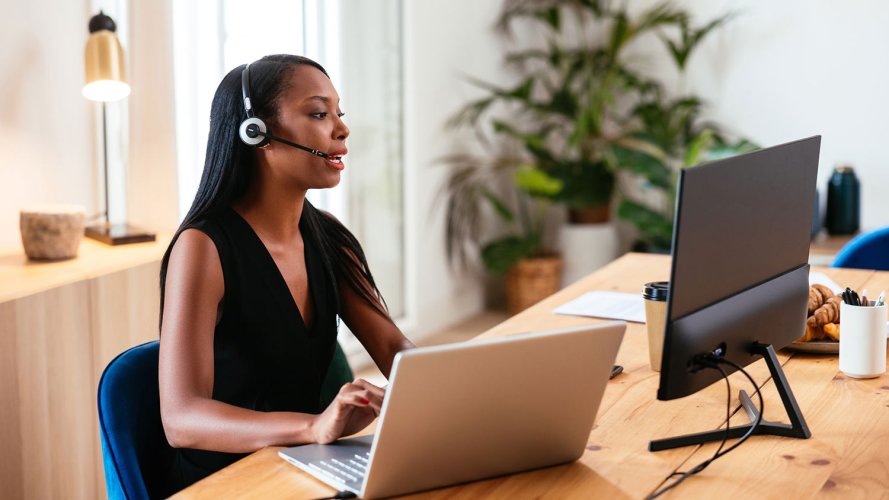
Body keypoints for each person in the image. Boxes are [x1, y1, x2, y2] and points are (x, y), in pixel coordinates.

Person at [157, 54, 414, 495]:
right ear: (256, 132)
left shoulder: (329, 238)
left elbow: (392, 346)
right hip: (231, 479)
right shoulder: (203, 248)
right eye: (318, 113)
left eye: (339, 113)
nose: (341, 129)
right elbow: (182, 420)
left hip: (305, 464)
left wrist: (456, 400)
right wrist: (314, 427)